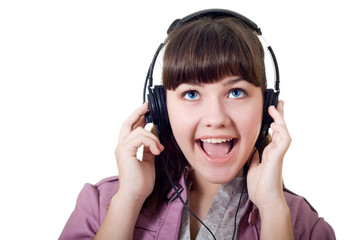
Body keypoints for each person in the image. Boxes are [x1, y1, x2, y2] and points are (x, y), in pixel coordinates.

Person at [59, 9, 336, 240]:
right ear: (161, 108)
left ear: (267, 107)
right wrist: (128, 200)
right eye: (191, 94)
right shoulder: (101, 206)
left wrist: (273, 208)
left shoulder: (304, 227)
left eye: (235, 92)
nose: (216, 118)